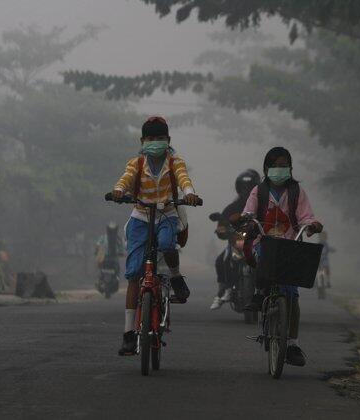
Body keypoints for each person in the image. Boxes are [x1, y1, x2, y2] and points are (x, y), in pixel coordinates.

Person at [111, 116, 200, 356]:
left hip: (167, 215)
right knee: (133, 273)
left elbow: (184, 180)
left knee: (166, 245)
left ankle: (175, 276)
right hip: (141, 217)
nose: (155, 143)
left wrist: (190, 193)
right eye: (150, 139)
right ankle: (129, 334)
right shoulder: (137, 164)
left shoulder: (175, 162)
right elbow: (126, 179)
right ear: (143, 141)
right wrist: (119, 190)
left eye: (160, 138)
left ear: (168, 140)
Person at [242, 147, 323, 366]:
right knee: (264, 258)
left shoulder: (297, 192)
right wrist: (248, 222)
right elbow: (248, 213)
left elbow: (307, 216)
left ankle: (294, 344)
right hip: (264, 242)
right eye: (275, 165)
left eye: (283, 165)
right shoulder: (258, 191)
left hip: (290, 244)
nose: (279, 169)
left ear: (290, 167)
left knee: (293, 297)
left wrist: (312, 225)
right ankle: (259, 294)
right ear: (267, 168)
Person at [210, 169, 261, 310]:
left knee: (267, 262)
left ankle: (268, 291)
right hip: (236, 244)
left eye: (250, 187)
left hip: (257, 244)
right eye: (244, 187)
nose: (247, 190)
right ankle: (223, 289)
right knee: (220, 261)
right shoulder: (231, 208)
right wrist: (221, 229)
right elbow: (222, 226)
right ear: (239, 188)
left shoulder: (263, 207)